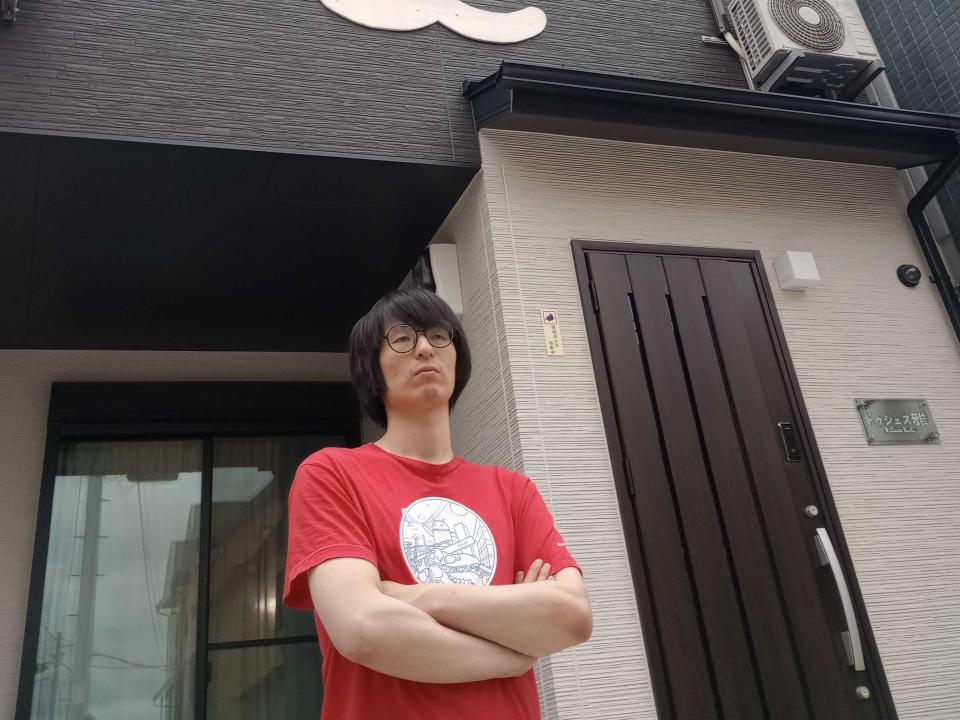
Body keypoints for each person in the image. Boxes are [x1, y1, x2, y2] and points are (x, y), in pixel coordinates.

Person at [283, 286, 592, 719]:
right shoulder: (331, 474)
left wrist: (414, 598)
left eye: (439, 336)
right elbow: (363, 629)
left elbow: (572, 618)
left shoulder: (513, 490)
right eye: (403, 339)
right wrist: (514, 651)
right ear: (372, 367)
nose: (425, 347)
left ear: (456, 357)